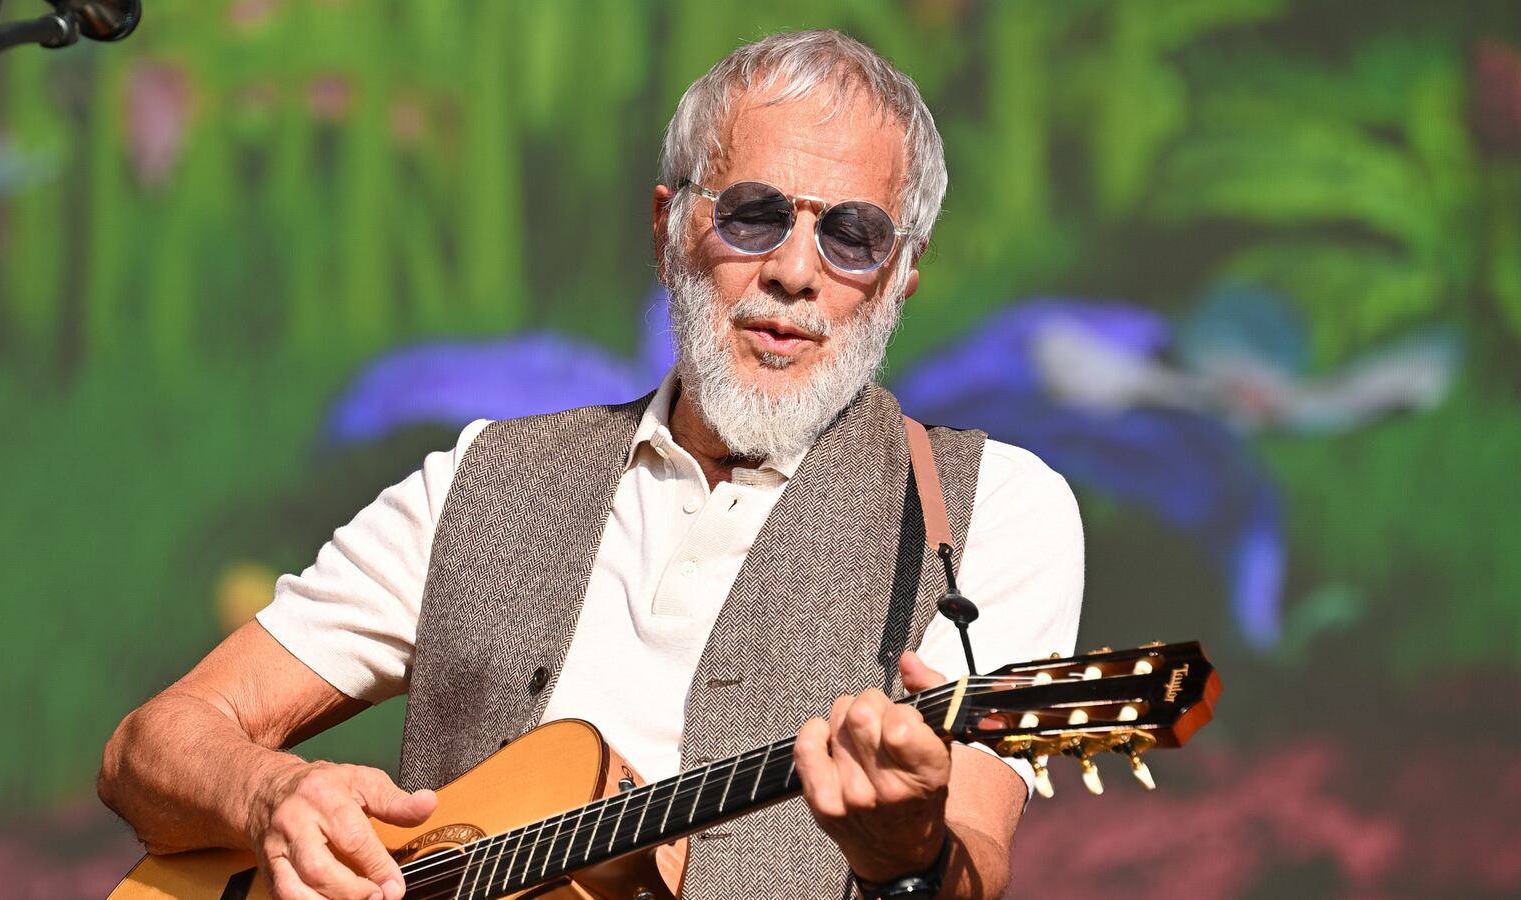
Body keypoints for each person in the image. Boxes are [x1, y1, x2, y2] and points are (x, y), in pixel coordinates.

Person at [98, 29, 1083, 900]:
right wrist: (269, 794)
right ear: (668, 227)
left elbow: (971, 859)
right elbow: (149, 748)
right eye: (752, 214)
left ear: (902, 274)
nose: (794, 267)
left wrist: (900, 848)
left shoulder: (994, 509)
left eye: (851, 234)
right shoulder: (485, 479)